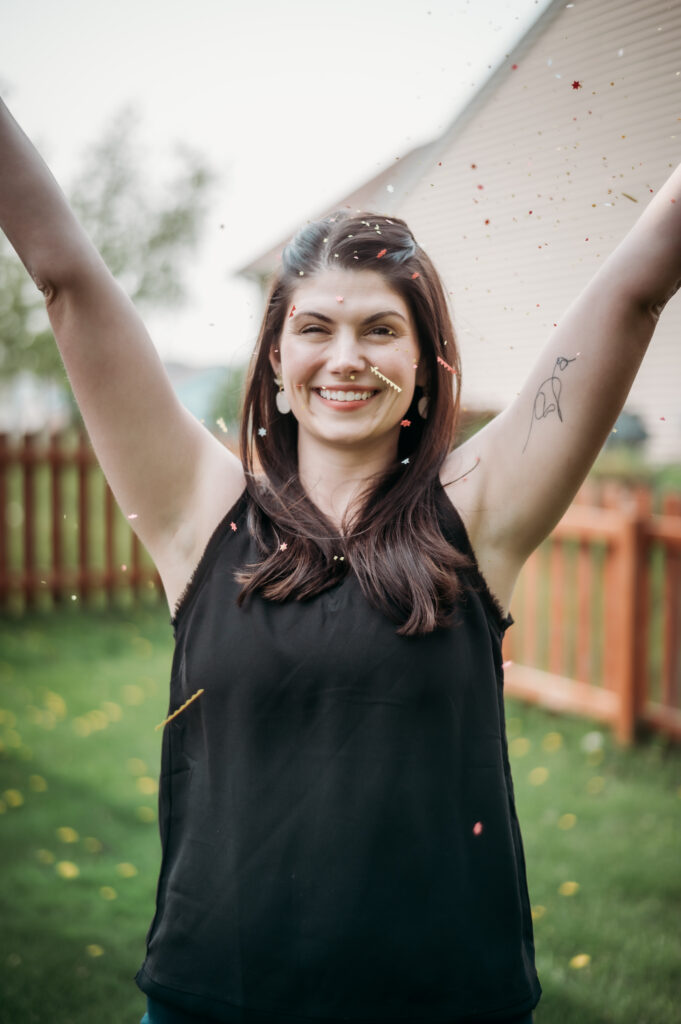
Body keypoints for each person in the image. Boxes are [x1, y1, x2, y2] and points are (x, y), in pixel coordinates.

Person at [2, 95, 680, 1024]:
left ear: (423, 362)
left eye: (380, 328)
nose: (345, 357)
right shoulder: (198, 513)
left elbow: (635, 289)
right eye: (314, 328)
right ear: (275, 363)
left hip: (446, 1001)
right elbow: (65, 277)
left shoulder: (479, 512)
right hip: (219, 998)